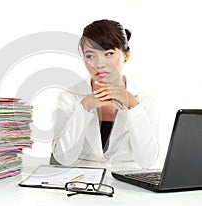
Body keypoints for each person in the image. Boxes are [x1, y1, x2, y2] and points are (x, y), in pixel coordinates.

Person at [51, 19, 159, 169]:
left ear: (126, 55)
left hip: (127, 186)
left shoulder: (144, 100)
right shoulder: (69, 97)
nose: (99, 64)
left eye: (108, 54)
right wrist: (84, 108)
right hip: (82, 183)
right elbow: (64, 158)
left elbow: (147, 161)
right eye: (90, 56)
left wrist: (133, 105)